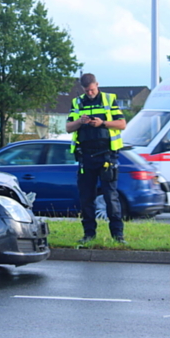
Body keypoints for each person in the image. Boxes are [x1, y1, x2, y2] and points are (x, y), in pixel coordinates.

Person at [66, 73, 127, 244]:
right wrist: (80, 121)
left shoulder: (109, 100)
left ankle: (118, 236)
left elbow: (122, 124)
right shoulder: (77, 102)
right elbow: (68, 127)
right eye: (87, 91)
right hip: (86, 157)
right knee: (86, 198)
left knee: (110, 197)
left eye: (92, 90)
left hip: (107, 156)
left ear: (97, 85)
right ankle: (89, 235)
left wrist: (102, 123)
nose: (90, 93)